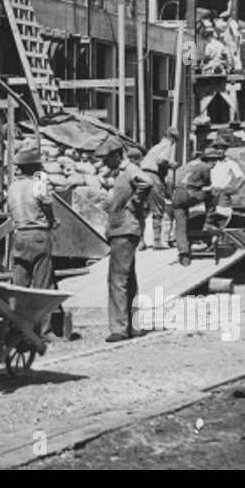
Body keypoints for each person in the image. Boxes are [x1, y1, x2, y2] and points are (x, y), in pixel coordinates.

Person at [97, 136, 151, 342]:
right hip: (124, 228)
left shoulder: (130, 170)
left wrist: (134, 203)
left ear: (117, 155)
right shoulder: (121, 173)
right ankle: (133, 324)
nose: (104, 163)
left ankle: (119, 328)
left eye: (107, 158)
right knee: (128, 278)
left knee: (117, 279)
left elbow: (146, 182)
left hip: (124, 230)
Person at [6, 142, 58, 336]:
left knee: (19, 283)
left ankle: (16, 327)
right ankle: (45, 330)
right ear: (35, 168)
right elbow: (47, 207)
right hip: (38, 234)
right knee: (43, 283)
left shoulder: (12, 187)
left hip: (19, 235)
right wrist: (53, 221)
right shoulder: (39, 184)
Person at [171, 145, 219, 266]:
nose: (215, 164)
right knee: (213, 194)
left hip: (176, 194)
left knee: (180, 225)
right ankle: (208, 223)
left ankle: (184, 253)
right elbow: (207, 186)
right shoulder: (204, 167)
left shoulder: (189, 164)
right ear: (209, 160)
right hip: (189, 193)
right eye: (214, 161)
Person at [141, 127, 180, 249]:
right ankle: (157, 241)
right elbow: (161, 161)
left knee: (143, 209)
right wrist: (171, 165)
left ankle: (140, 242)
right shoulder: (167, 145)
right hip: (154, 176)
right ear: (172, 139)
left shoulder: (155, 147)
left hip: (143, 175)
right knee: (158, 209)